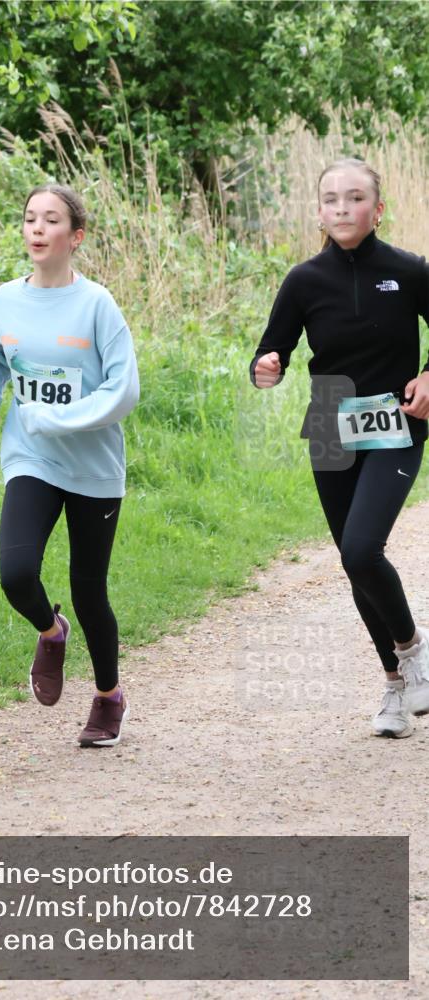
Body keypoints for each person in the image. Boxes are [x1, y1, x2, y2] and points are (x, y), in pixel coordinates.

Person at [250, 158, 429, 738]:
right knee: (357, 568)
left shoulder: (408, 270)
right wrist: (266, 367)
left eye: (356, 199)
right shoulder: (304, 280)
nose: (343, 208)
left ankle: (413, 650)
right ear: (319, 212)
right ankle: (397, 688)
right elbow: (268, 352)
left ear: (378, 210)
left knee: (360, 548)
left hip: (396, 421)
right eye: (332, 200)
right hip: (330, 419)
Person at [0, 183, 139, 747]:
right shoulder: (3, 301)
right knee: (16, 574)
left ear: (76, 236)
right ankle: (49, 630)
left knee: (90, 592)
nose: (37, 228)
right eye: (29, 219)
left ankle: (109, 698)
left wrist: (60, 419)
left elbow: (124, 390)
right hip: (30, 458)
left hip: (93, 469)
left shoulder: (96, 305)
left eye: (51, 220)